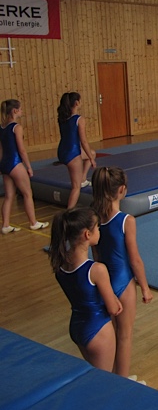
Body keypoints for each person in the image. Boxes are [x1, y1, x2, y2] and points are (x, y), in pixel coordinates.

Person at [91, 166, 153, 378]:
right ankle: (123, 381)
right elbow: (134, 259)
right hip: (123, 281)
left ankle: (114, 376)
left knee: (113, 332)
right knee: (125, 336)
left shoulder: (94, 219)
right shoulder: (126, 221)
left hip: (104, 282)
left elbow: (96, 255)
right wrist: (144, 287)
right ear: (121, 190)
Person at [47, 207, 123, 370]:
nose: (99, 231)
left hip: (77, 327)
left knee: (93, 374)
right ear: (87, 234)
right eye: (97, 227)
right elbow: (113, 308)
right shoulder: (97, 270)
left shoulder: (60, 267)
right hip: (98, 328)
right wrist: (116, 300)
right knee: (103, 379)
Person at [1, 99, 49, 234]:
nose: (22, 111)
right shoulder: (17, 127)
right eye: (20, 109)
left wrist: (1, 165)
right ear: (15, 111)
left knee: (9, 196)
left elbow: (1, 149)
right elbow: (21, 150)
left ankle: (5, 225)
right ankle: (33, 222)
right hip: (15, 163)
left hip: (5, 164)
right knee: (28, 193)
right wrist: (28, 166)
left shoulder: (2, 127)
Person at [57, 92, 97, 209]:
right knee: (76, 187)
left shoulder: (62, 118)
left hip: (62, 151)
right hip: (72, 153)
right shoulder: (79, 119)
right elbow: (83, 141)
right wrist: (91, 159)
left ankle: (83, 178)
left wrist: (90, 155)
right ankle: (69, 212)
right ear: (76, 103)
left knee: (92, 153)